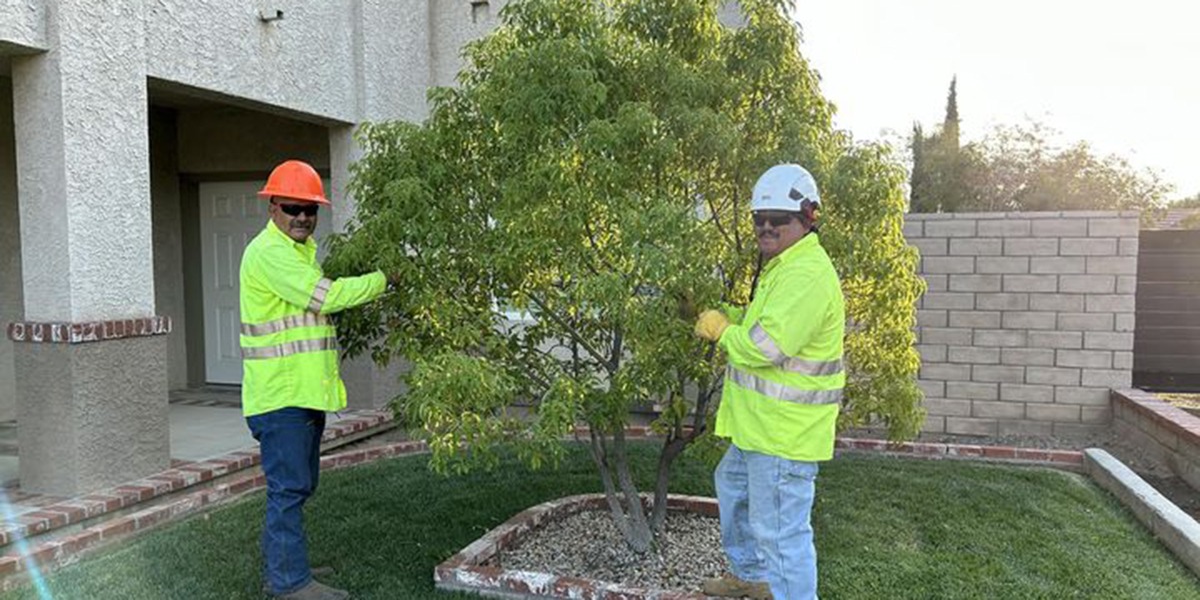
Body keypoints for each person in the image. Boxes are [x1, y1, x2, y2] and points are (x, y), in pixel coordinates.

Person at [694, 164, 845, 600]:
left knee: (782, 536)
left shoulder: (806, 275)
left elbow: (764, 349)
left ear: (808, 218)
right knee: (734, 488)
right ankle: (751, 577)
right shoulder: (784, 266)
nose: (765, 227)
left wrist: (722, 330)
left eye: (777, 219)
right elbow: (767, 326)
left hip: (783, 437)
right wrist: (734, 318)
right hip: (759, 430)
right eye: (759, 219)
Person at [240, 159, 390, 600]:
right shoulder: (270, 254)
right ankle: (290, 583)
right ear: (273, 208)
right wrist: (383, 280)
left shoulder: (295, 253)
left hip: (299, 395)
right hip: (281, 398)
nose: (303, 217)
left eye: (311, 210)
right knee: (288, 489)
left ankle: (285, 564)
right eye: (293, 208)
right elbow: (328, 298)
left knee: (298, 486)